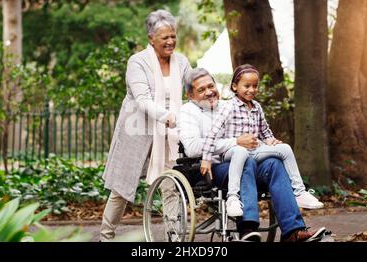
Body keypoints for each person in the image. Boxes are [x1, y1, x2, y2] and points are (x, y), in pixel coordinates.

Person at [178, 68, 326, 242]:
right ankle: (248, 230)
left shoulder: (229, 105)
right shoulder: (187, 111)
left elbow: (251, 135)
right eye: (201, 90)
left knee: (273, 163)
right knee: (245, 161)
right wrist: (235, 142)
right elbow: (193, 147)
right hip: (210, 168)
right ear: (190, 95)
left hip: (244, 160)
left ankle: (293, 231)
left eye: (211, 86)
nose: (209, 92)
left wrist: (268, 143)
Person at [100, 9, 191, 241]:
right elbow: (142, 100)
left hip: (169, 133)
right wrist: (167, 115)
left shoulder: (181, 61)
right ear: (151, 38)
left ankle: (174, 236)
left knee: (170, 183)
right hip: (137, 130)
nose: (171, 41)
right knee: (121, 187)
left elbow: (192, 88)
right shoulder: (137, 62)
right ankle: (106, 236)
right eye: (165, 38)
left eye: (173, 36)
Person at [200, 64, 324, 215]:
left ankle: (299, 192)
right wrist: (206, 158)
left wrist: (271, 140)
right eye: (247, 86)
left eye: (255, 86)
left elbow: (264, 130)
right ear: (234, 86)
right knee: (240, 151)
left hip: (254, 151)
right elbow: (212, 134)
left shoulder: (257, 107)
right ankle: (233, 198)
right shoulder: (228, 107)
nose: (251, 90)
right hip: (232, 153)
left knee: (285, 148)